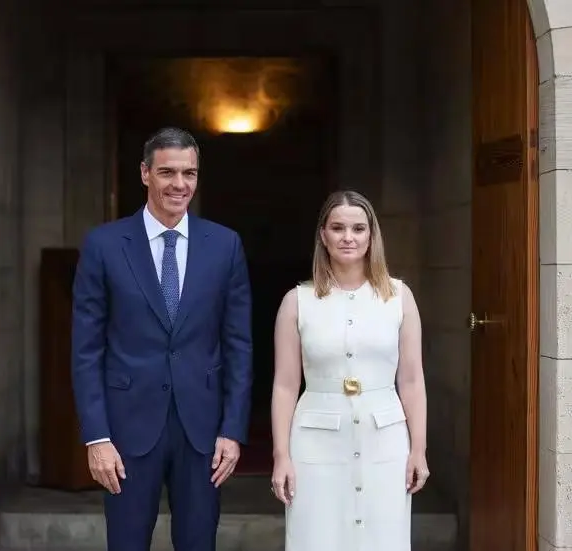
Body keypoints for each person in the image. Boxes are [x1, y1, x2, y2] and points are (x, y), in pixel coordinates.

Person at [70, 127, 253, 551]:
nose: (179, 184)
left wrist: (233, 429)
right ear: (144, 173)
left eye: (189, 173)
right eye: (167, 172)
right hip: (126, 429)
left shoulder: (225, 245)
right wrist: (96, 437)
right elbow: (86, 350)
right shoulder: (104, 245)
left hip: (202, 431)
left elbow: (239, 345)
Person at [269, 190, 429, 551]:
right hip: (316, 442)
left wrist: (418, 449)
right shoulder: (297, 302)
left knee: (382, 538)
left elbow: (411, 379)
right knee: (317, 537)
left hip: (385, 439)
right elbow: (285, 385)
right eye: (338, 228)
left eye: (358, 229)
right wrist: (282, 456)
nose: (348, 237)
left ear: (372, 236)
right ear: (323, 235)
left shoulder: (399, 297)